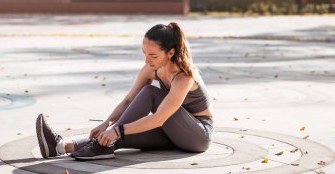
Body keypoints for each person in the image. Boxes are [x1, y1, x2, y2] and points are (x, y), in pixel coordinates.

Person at [36, 22, 214, 160]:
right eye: (144, 53)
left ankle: (103, 145)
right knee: (124, 135)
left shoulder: (184, 77)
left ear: (170, 53)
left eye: (153, 56)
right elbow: (129, 100)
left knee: (149, 93)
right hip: (172, 131)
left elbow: (159, 118)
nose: (147, 61)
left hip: (197, 135)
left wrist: (117, 129)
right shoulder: (152, 69)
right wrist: (107, 124)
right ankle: (60, 147)